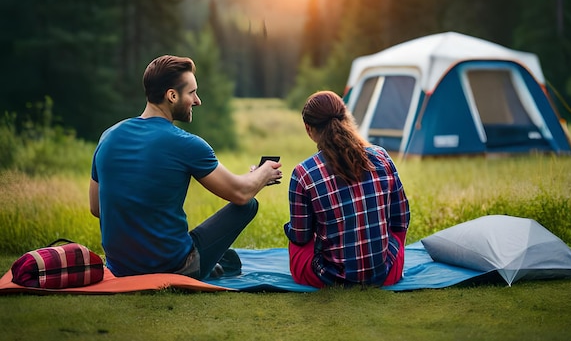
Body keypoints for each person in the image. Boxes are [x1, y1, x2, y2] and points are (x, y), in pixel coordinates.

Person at [89, 55, 283, 280]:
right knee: (248, 205)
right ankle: (208, 266)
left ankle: (215, 263)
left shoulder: (108, 137)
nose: (197, 100)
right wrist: (264, 173)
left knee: (226, 253)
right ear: (172, 95)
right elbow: (240, 193)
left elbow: (96, 207)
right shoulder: (186, 143)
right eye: (192, 93)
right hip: (172, 265)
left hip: (120, 268)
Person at [284, 91, 410, 287]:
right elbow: (401, 220)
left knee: (297, 242)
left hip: (330, 279)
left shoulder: (303, 173)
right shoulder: (382, 156)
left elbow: (301, 237)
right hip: (385, 274)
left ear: (309, 129)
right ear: (346, 118)